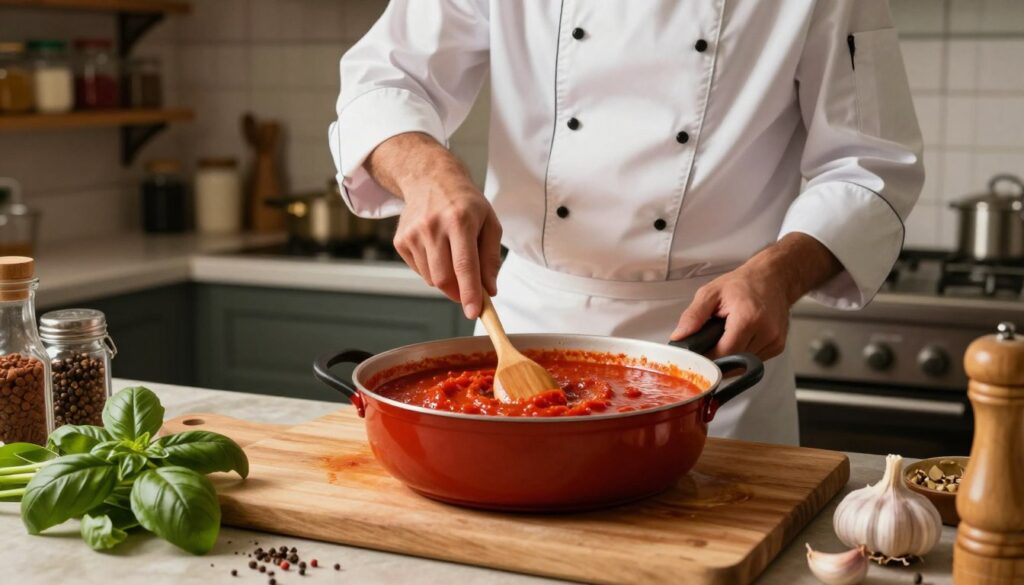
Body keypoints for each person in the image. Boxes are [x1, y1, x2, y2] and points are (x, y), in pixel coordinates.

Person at [328, 0, 923, 444]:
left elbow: (868, 162)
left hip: (718, 354)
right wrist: (427, 172)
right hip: (525, 331)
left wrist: (780, 272)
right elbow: (386, 77)